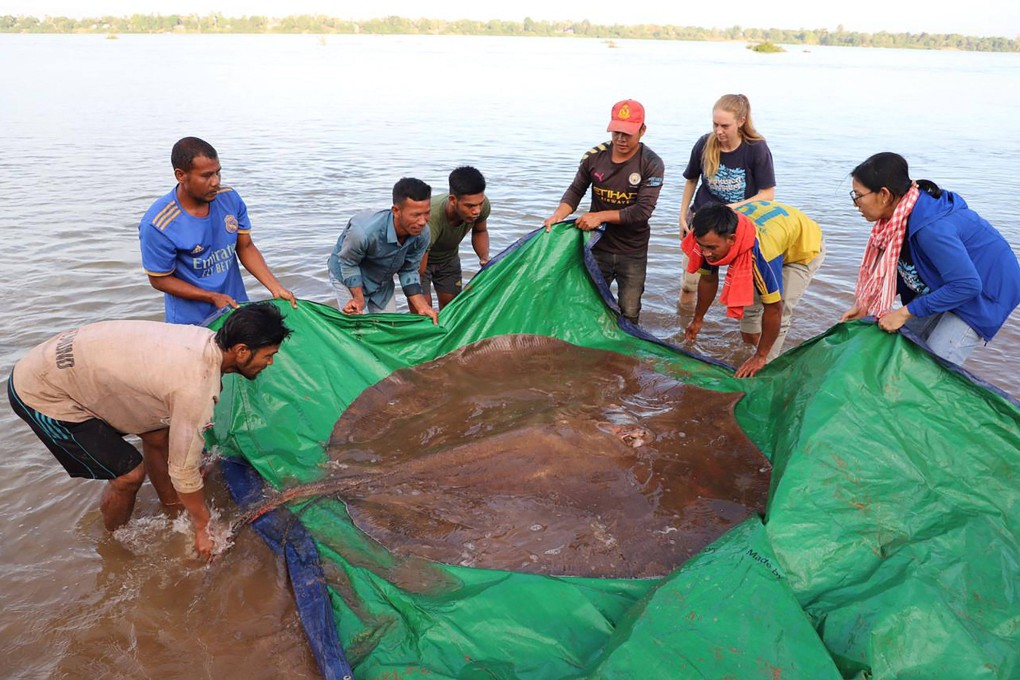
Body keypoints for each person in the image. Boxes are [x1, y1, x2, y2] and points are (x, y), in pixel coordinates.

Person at [7, 302, 293, 559]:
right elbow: (183, 470)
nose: (270, 363)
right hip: (42, 392)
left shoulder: (200, 339)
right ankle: (114, 543)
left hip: (68, 361)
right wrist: (203, 525)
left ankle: (170, 503)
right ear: (241, 351)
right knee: (128, 475)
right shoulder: (195, 388)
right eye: (268, 356)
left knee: (158, 434)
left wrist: (184, 493)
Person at [840, 152, 1020, 364]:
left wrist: (903, 313)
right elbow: (907, 266)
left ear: (885, 195)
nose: (855, 204)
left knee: (931, 368)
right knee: (901, 347)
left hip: (984, 292)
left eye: (858, 195)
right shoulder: (898, 219)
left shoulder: (931, 229)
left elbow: (968, 285)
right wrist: (865, 304)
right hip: (948, 279)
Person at [139, 137, 296, 325]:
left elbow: (245, 247)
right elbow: (160, 280)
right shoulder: (158, 224)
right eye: (206, 176)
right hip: (191, 322)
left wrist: (275, 287)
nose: (215, 182)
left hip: (236, 308)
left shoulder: (229, 198)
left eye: (218, 173)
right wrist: (211, 297)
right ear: (180, 175)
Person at [543, 99, 665, 325]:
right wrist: (558, 214)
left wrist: (599, 216)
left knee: (629, 310)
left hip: (633, 251)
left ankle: (626, 352)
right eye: (616, 132)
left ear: (642, 130)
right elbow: (575, 190)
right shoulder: (594, 156)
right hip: (598, 247)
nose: (621, 139)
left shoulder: (651, 163)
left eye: (627, 133)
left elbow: (642, 211)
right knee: (588, 305)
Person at [682, 202, 824, 378]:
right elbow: (708, 279)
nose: (706, 253)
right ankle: (751, 352)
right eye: (702, 247)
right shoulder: (706, 241)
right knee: (749, 310)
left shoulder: (762, 254)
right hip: (777, 231)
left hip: (801, 249)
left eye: (712, 248)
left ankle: (765, 368)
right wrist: (697, 320)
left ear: (732, 239)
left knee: (782, 305)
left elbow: (774, 309)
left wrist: (761, 356)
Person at [678, 94, 776, 297]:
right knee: (690, 284)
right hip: (702, 220)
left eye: (725, 126)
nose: (718, 131)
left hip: (738, 223)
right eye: (715, 124)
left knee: (745, 287)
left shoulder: (756, 148)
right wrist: (682, 216)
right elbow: (691, 180)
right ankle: (687, 322)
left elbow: (767, 195)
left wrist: (729, 208)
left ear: (741, 122)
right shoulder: (705, 143)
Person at [327, 177, 438, 324]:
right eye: (416, 215)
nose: (423, 221)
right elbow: (348, 263)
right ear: (396, 211)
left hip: (381, 280)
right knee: (359, 327)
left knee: (390, 327)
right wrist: (358, 299)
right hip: (347, 273)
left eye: (426, 213)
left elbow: (409, 270)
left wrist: (422, 306)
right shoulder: (363, 232)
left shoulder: (423, 234)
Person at [420, 166, 491, 310]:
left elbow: (480, 231)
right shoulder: (431, 218)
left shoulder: (481, 207)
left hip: (448, 258)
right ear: (453, 200)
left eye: (480, 204)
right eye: (470, 206)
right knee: (423, 313)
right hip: (420, 261)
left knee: (452, 309)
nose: (477, 210)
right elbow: (418, 267)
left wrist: (484, 257)